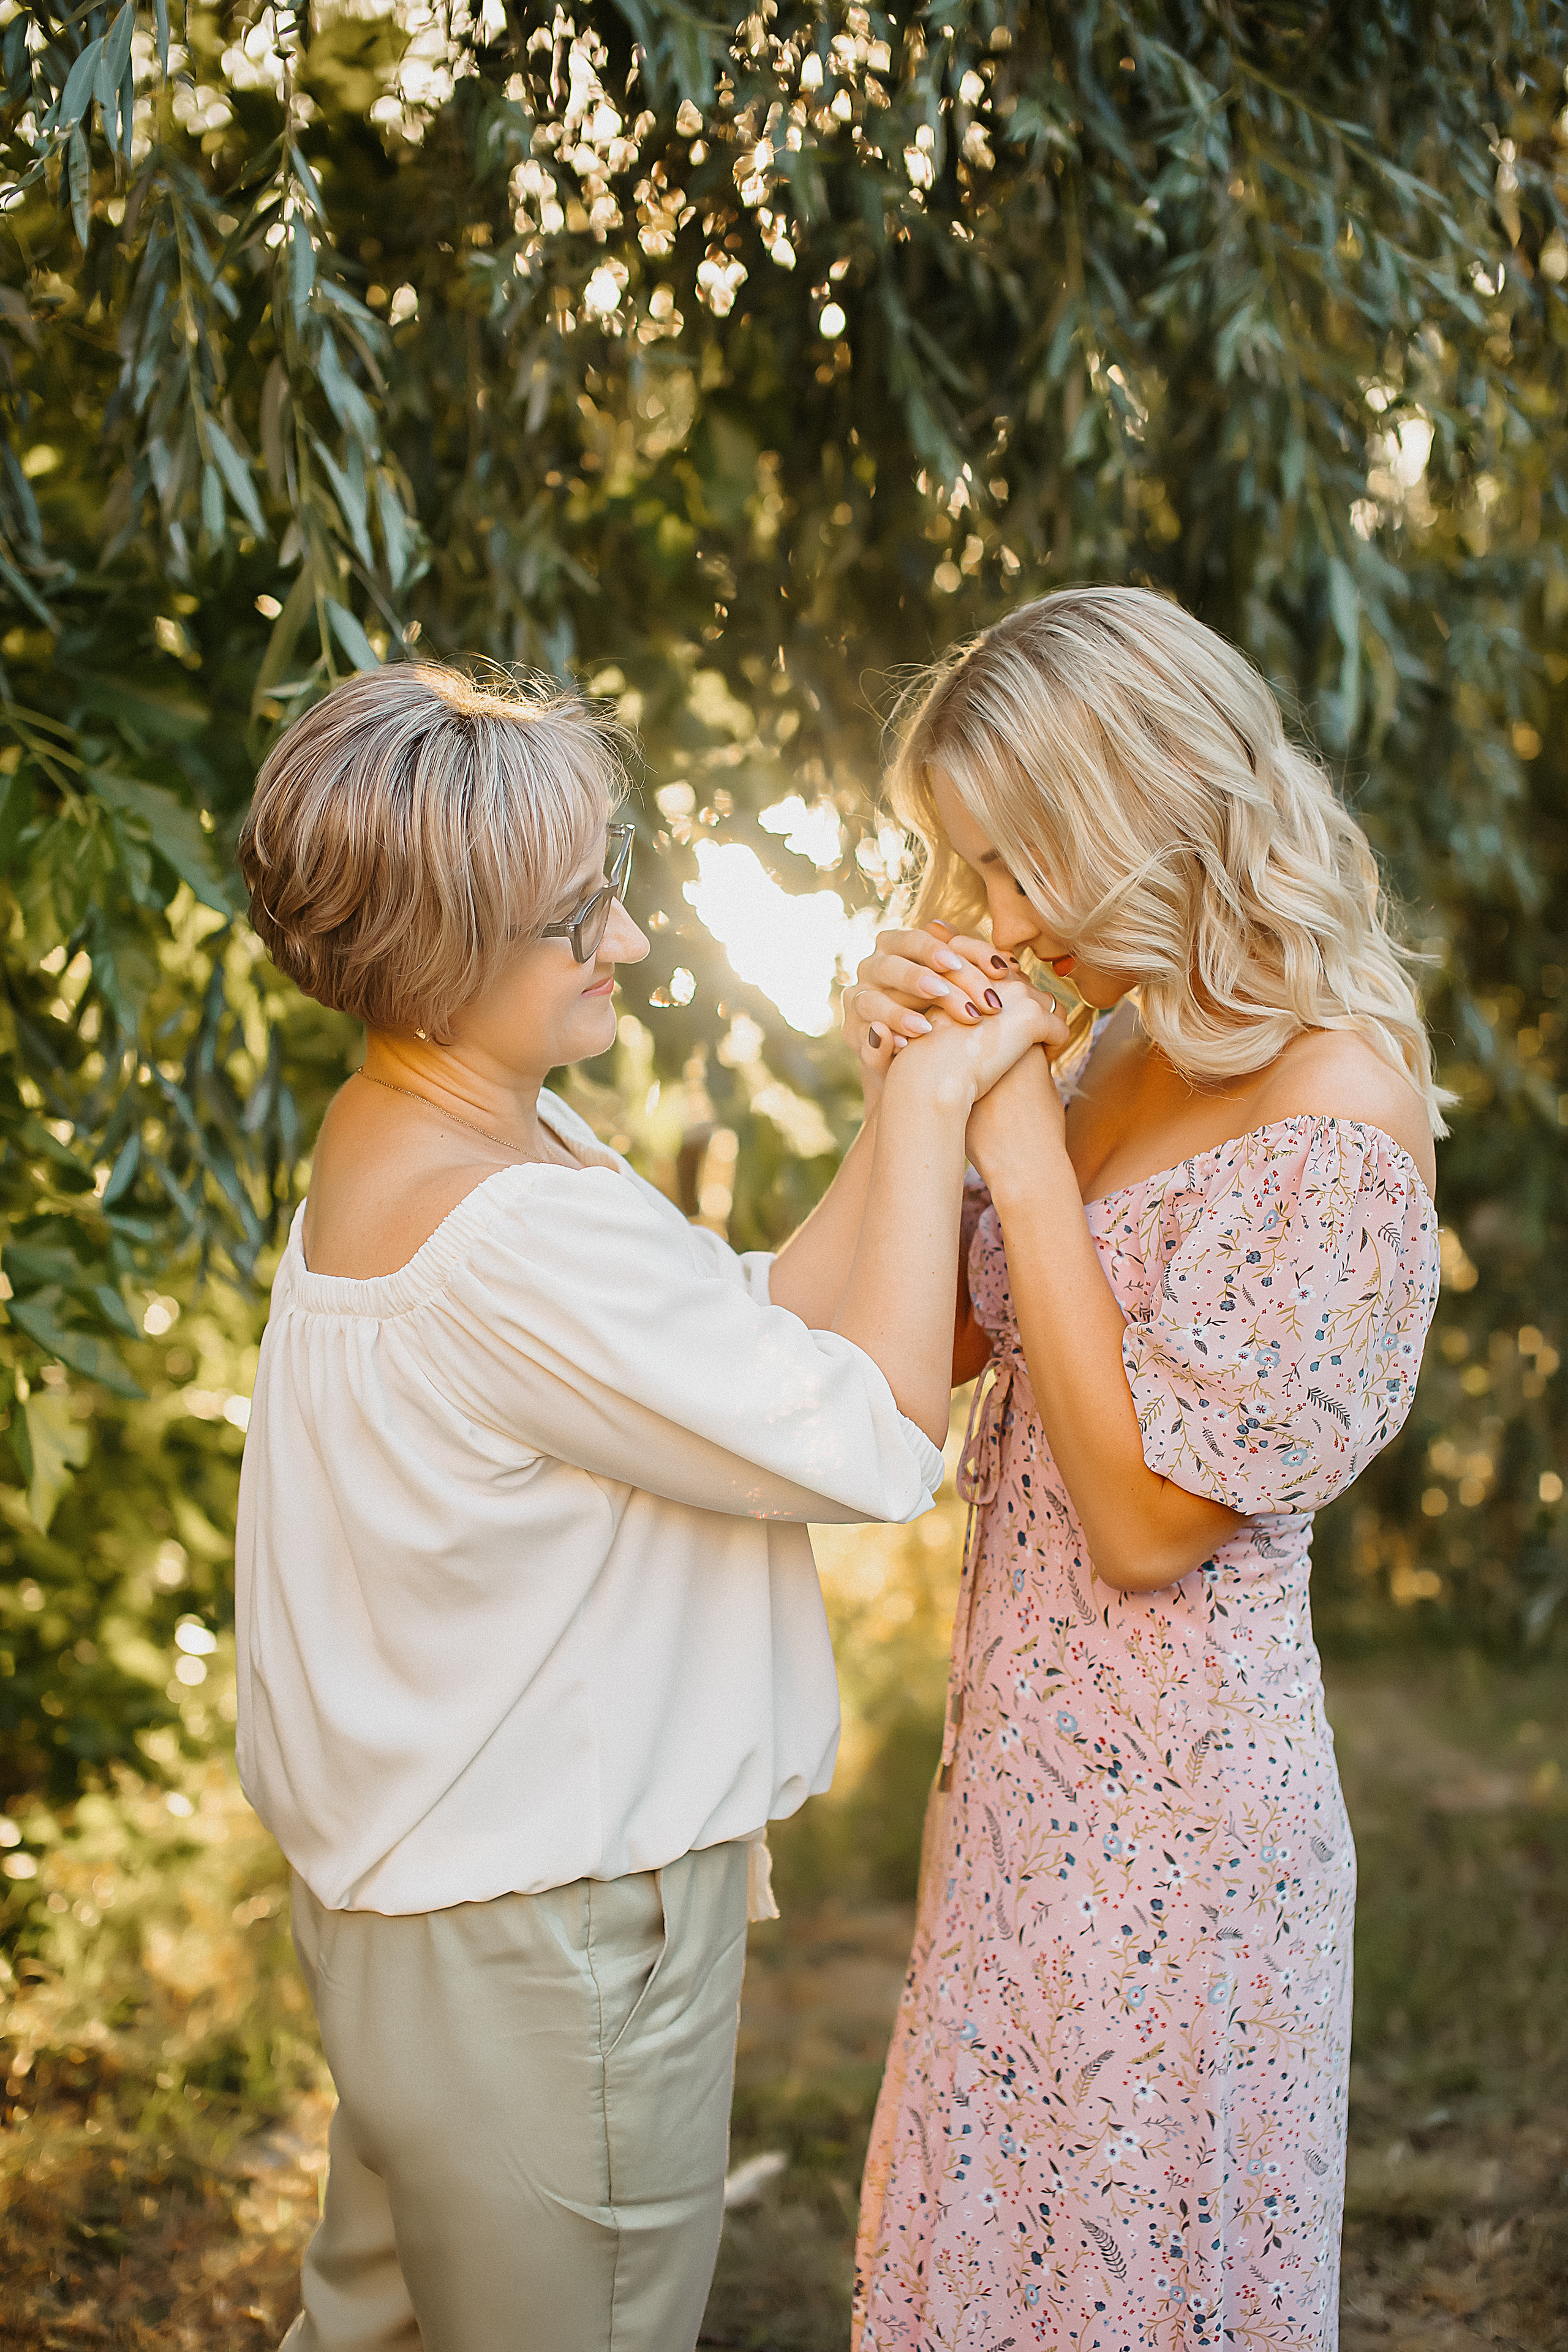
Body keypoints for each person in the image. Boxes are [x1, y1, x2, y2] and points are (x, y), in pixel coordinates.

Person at [232, 660, 1061, 2352]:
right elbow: (883, 1435)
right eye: (575, 918)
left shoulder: (437, 1131)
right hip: (553, 1952)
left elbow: (747, 1334)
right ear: (435, 951)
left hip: (430, 1921)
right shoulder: (510, 1226)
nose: (623, 944)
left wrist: (895, 1097)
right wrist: (932, 1104)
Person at [842, 587, 1443, 2351]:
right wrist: (912, 1095)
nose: (993, 920)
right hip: (1018, 1784)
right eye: (963, 876)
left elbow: (1140, 1525)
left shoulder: (1339, 1107)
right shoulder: (1110, 1042)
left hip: (1186, 1821)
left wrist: (1018, 1146)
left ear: (1135, 823)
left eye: (1014, 869)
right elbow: (927, 1357)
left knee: (1127, 2291)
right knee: (990, 2269)